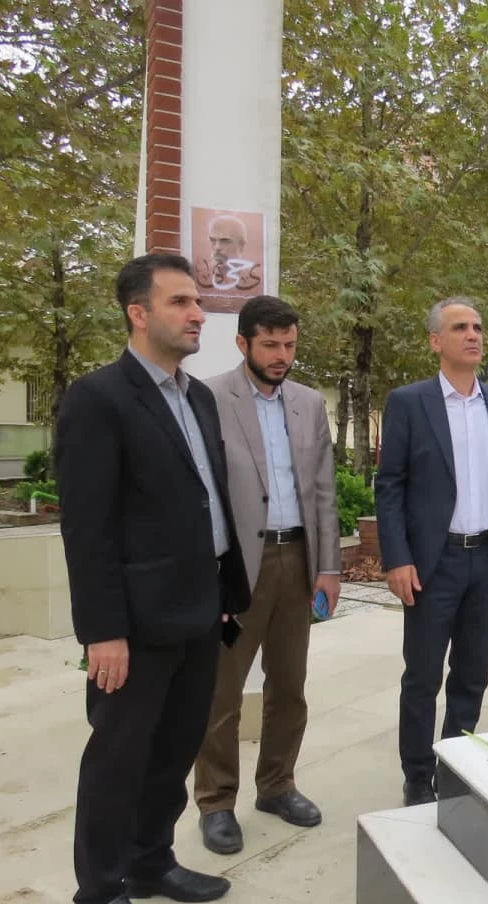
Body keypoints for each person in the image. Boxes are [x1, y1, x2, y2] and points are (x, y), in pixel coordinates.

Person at [55, 253, 251, 904]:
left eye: (197, 302)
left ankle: (149, 860)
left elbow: (206, 502)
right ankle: (98, 897)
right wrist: (102, 630)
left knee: (173, 752)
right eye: (180, 302)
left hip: (199, 610)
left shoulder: (197, 398)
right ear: (138, 313)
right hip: (133, 625)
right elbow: (88, 527)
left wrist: (225, 594)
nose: (198, 314)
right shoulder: (98, 398)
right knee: (118, 760)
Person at [193, 295, 342, 855]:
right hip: (235, 567)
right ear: (243, 343)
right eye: (271, 345)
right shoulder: (208, 397)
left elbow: (323, 491)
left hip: (296, 561)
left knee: (290, 686)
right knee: (223, 692)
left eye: (290, 345)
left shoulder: (308, 403)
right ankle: (216, 802)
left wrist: (328, 567)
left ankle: (277, 785)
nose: (282, 355)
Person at [374, 296, 488, 806]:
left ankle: (454, 766)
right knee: (423, 676)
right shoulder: (409, 403)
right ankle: (418, 774)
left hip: (485, 558)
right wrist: (397, 557)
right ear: (436, 341)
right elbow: (390, 485)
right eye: (460, 327)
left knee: (472, 674)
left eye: (478, 327)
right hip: (431, 562)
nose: (473, 335)